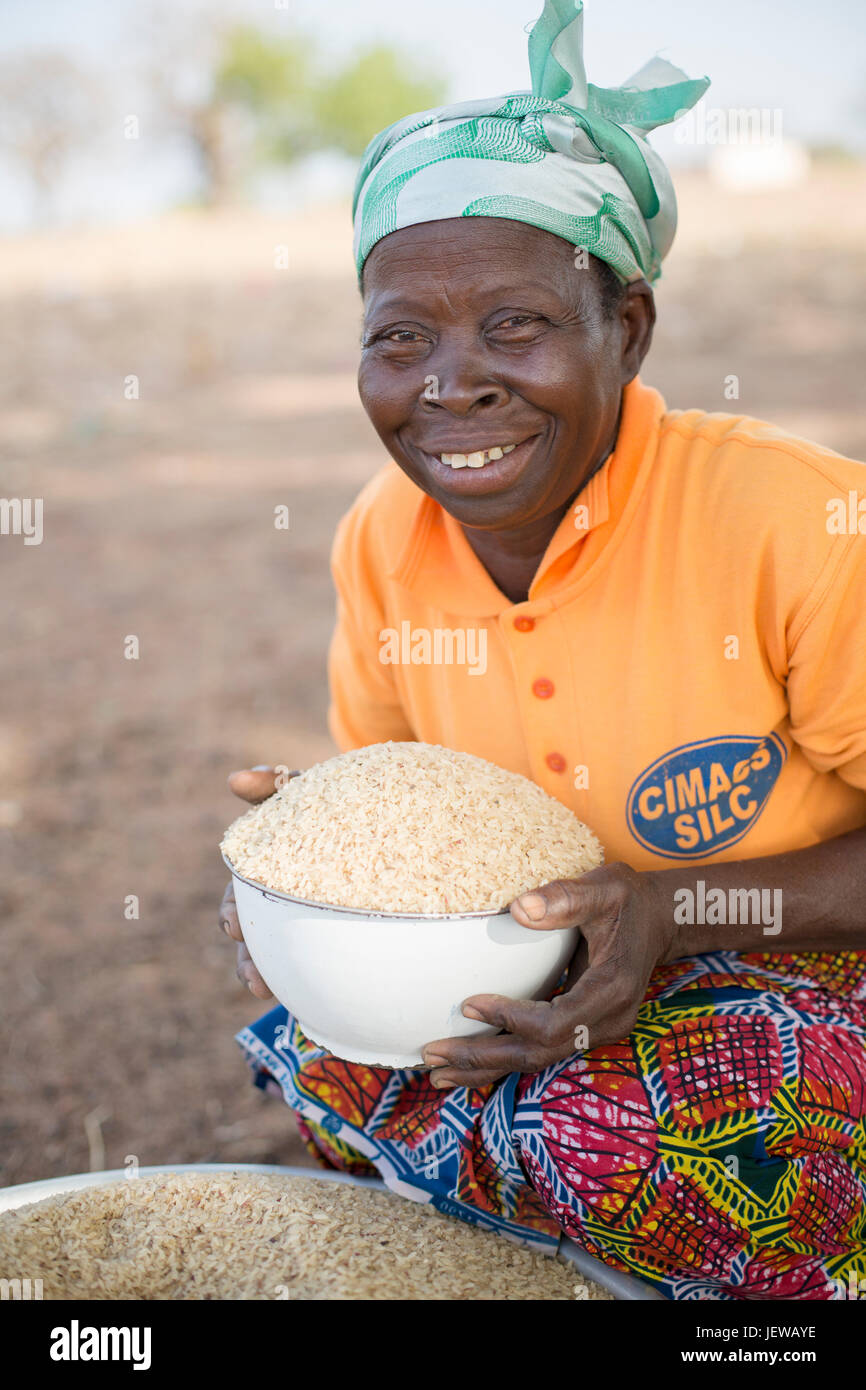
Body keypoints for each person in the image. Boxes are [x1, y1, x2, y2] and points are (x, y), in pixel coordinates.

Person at [219, 0, 866, 1298]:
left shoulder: (796, 523)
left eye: (514, 324)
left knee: (674, 1134)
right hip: (540, 974)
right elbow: (403, 803)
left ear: (623, 327)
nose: (449, 384)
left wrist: (673, 915)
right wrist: (331, 841)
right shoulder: (379, 542)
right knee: (303, 1000)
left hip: (804, 966)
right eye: (399, 336)